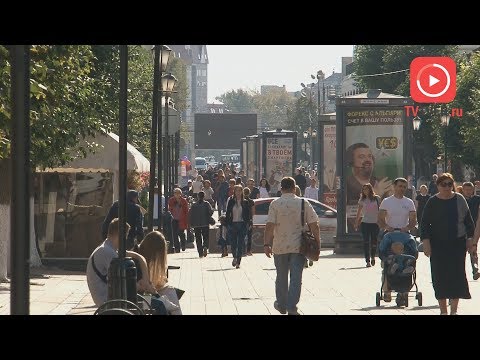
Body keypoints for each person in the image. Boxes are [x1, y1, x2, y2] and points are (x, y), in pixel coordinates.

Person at [264, 177, 320, 315]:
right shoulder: (303, 203)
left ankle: (281, 304)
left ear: (281, 189)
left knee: (281, 277)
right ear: (294, 188)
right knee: (296, 278)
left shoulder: (275, 204)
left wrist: (266, 244)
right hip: (298, 247)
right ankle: (291, 307)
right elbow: (314, 225)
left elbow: (270, 226)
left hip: (279, 246)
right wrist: (317, 242)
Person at [421, 173, 474, 315]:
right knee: (439, 276)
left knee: (457, 275)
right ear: (438, 185)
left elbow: (469, 222)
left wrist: (470, 240)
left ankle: (454, 311)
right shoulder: (432, 201)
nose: (446, 187)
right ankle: (443, 311)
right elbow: (425, 224)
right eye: (443, 184)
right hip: (438, 244)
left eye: (449, 184)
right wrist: (426, 243)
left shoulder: (459, 199)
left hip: (457, 243)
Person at [87, 218, 156, 307]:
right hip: (110, 301)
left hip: (113, 298)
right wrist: (144, 286)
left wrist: (144, 283)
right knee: (158, 304)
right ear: (120, 235)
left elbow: (135, 257)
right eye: (125, 236)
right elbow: (125, 282)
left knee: (156, 301)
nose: (126, 240)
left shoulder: (107, 248)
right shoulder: (107, 252)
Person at [377, 177, 417, 303]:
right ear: (394, 186)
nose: (402, 189)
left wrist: (408, 227)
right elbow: (380, 219)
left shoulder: (409, 202)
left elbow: (413, 219)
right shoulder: (387, 202)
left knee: (406, 262)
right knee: (388, 263)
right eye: (400, 186)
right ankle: (386, 290)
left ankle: (404, 290)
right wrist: (386, 227)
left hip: (404, 236)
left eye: (404, 187)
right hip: (390, 235)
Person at [137, 231, 182, 315]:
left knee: (170, 292)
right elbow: (143, 289)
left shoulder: (141, 255)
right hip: (140, 301)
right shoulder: (139, 260)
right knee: (169, 296)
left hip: (142, 298)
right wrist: (152, 291)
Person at [354, 183, 381, 267]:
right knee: (366, 241)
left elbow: (381, 210)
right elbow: (359, 212)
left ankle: (373, 256)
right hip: (365, 223)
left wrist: (382, 221)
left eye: (366, 189)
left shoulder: (377, 198)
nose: (365, 191)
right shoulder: (362, 200)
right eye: (363, 189)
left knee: (374, 241)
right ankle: (367, 260)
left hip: (375, 223)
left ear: (370, 189)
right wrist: (356, 222)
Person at [225, 185, 251, 268]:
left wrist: (248, 223)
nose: (238, 192)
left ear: (242, 192)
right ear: (234, 192)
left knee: (240, 244)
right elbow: (228, 212)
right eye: (236, 191)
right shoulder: (231, 201)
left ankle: (238, 262)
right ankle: (234, 257)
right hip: (233, 224)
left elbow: (248, 214)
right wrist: (227, 223)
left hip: (242, 224)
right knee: (233, 243)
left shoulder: (245, 202)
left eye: (240, 191)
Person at [461, 182, 480, 280]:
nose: (468, 192)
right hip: (461, 229)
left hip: (473, 227)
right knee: (460, 252)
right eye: (466, 189)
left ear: (473, 190)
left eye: (470, 189)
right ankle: (460, 272)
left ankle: (475, 268)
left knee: (473, 250)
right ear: (463, 190)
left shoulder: (477, 200)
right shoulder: (459, 199)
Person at [188, 191, 214, 258]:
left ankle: (200, 253)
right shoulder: (206, 204)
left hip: (196, 224)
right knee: (206, 237)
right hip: (205, 223)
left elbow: (190, 214)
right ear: (204, 196)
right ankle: (205, 246)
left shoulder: (194, 205)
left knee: (198, 238)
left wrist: (190, 223)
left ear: (198, 196)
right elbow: (210, 212)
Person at [168, 188, 189, 253]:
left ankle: (183, 244)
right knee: (174, 234)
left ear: (180, 194)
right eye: (175, 193)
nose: (176, 194)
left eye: (178, 193)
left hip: (181, 219)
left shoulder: (183, 201)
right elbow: (169, 208)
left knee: (181, 233)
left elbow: (186, 211)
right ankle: (177, 248)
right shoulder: (171, 200)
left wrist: (187, 220)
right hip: (174, 219)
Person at [243, 187, 255, 256]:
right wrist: (251, 219)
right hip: (249, 220)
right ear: (249, 193)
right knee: (249, 235)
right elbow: (253, 212)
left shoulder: (241, 200)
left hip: (242, 220)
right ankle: (248, 251)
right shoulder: (251, 201)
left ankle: (243, 250)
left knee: (242, 235)